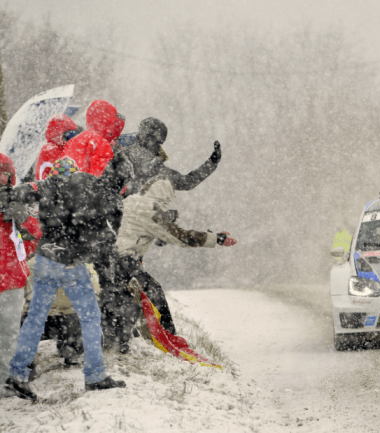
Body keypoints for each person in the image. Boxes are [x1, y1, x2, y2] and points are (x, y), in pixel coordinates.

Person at [1, 154, 133, 401]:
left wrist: (9, 192)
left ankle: (17, 373)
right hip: (69, 261)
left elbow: (25, 190)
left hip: (44, 259)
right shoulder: (87, 182)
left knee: (35, 317)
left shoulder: (46, 184)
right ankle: (95, 376)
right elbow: (104, 231)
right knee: (90, 316)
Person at [102, 175, 236, 350]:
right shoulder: (150, 209)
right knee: (153, 294)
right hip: (124, 261)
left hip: (107, 259)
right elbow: (182, 237)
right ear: (163, 196)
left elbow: (134, 230)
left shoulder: (130, 200)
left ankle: (119, 339)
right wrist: (216, 238)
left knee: (122, 297)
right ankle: (167, 339)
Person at [0, 154, 42, 399]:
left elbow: (37, 237)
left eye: (4, 172)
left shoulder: (16, 201)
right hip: (11, 277)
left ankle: (5, 382)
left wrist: (21, 217)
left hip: (11, 279)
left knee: (8, 334)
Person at [119, 117, 221, 197]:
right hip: (128, 216)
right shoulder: (149, 163)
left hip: (110, 212)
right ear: (147, 137)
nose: (159, 148)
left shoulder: (119, 145)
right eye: (158, 142)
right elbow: (185, 182)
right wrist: (212, 162)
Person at [61, 100, 125, 177]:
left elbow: (62, 173)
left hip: (70, 187)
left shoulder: (72, 141)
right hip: (87, 187)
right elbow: (101, 181)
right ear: (109, 121)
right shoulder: (101, 144)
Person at [35, 114, 82, 180]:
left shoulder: (70, 149)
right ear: (57, 135)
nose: (72, 139)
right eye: (68, 135)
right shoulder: (50, 151)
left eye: (74, 134)